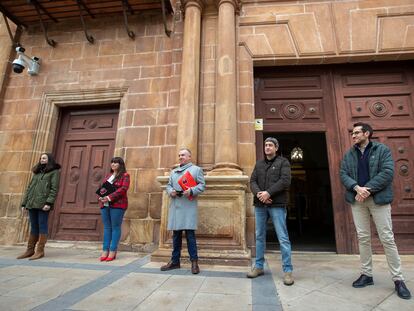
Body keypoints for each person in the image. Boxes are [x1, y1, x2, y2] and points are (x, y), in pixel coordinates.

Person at [340, 122, 411, 300]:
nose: (353, 136)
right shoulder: (349, 154)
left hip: (377, 200)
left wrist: (367, 189)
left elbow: (387, 173)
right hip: (357, 201)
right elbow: (343, 174)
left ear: (367, 133)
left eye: (357, 133)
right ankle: (367, 275)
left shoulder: (382, 150)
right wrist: (357, 188)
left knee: (387, 238)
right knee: (363, 238)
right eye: (352, 133)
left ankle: (398, 279)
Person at [247, 137, 294, 286]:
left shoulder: (283, 162)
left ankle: (287, 271)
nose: (267, 147)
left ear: (276, 148)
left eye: (270, 145)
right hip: (261, 205)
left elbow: (285, 181)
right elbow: (252, 181)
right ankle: (259, 267)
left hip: (277, 205)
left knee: (283, 237)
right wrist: (260, 195)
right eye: (266, 145)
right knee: (260, 236)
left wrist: (268, 193)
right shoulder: (259, 164)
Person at [160, 148, 205, 274]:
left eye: (183, 155)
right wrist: (171, 191)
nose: (181, 157)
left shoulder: (196, 170)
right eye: (179, 155)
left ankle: (194, 262)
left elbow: (202, 186)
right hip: (176, 206)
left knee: (190, 236)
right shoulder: (173, 172)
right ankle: (175, 262)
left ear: (190, 156)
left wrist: (191, 191)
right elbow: (168, 185)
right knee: (176, 236)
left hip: (188, 205)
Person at [17, 153, 61, 260]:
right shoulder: (36, 173)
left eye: (44, 158)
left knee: (42, 226)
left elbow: (54, 189)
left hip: (43, 204)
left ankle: (40, 251)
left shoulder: (54, 172)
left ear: (49, 159)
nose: (42, 159)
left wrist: (49, 203)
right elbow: (30, 188)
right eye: (41, 158)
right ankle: (30, 250)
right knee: (34, 226)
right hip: (32, 203)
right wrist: (24, 203)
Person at [98, 157, 130, 262]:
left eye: (115, 162)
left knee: (115, 227)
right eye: (112, 162)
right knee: (107, 228)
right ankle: (105, 250)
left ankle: (112, 250)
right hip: (105, 204)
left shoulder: (125, 176)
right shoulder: (108, 176)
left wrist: (109, 197)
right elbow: (103, 188)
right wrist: (101, 196)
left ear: (120, 164)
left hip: (118, 204)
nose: (113, 164)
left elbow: (123, 189)